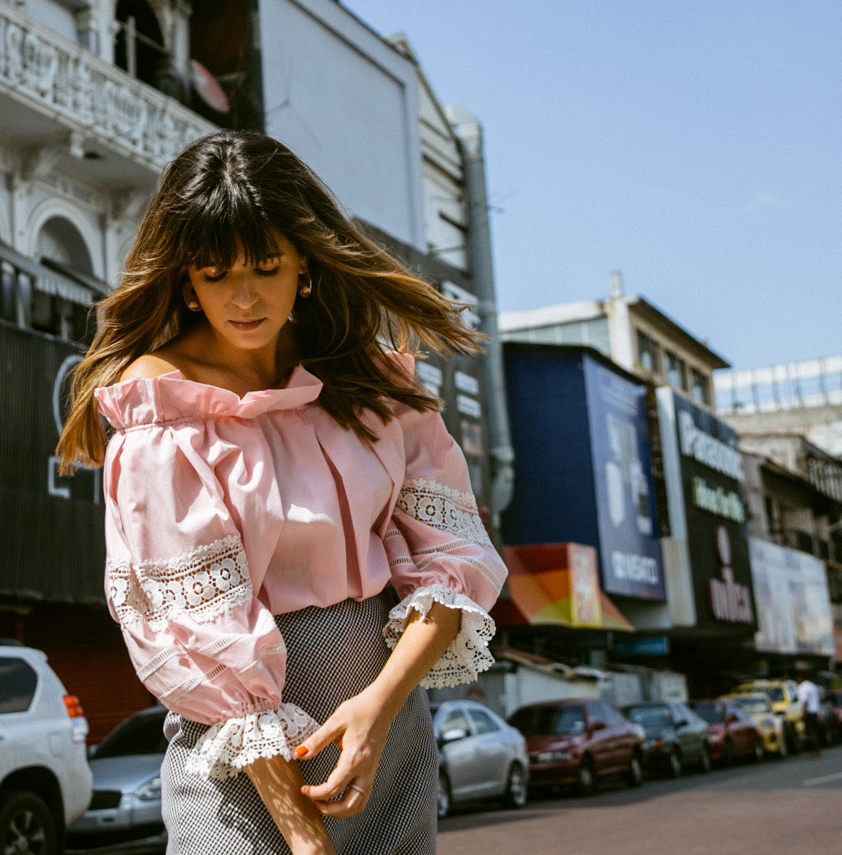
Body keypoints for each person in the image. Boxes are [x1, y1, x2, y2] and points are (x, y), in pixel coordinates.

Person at [59, 132, 507, 855]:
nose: (243, 296)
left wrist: (377, 710)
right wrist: (303, 835)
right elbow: (199, 634)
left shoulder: (370, 383)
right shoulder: (163, 412)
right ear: (184, 280)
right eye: (215, 272)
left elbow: (454, 559)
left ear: (305, 264)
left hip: (388, 740)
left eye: (266, 267)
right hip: (243, 774)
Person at [795, 674, 824, 758]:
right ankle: (817, 750)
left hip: (809, 712)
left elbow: (804, 701)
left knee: (811, 733)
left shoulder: (803, 687)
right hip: (814, 712)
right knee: (815, 732)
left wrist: (802, 713)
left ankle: (815, 751)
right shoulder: (812, 686)